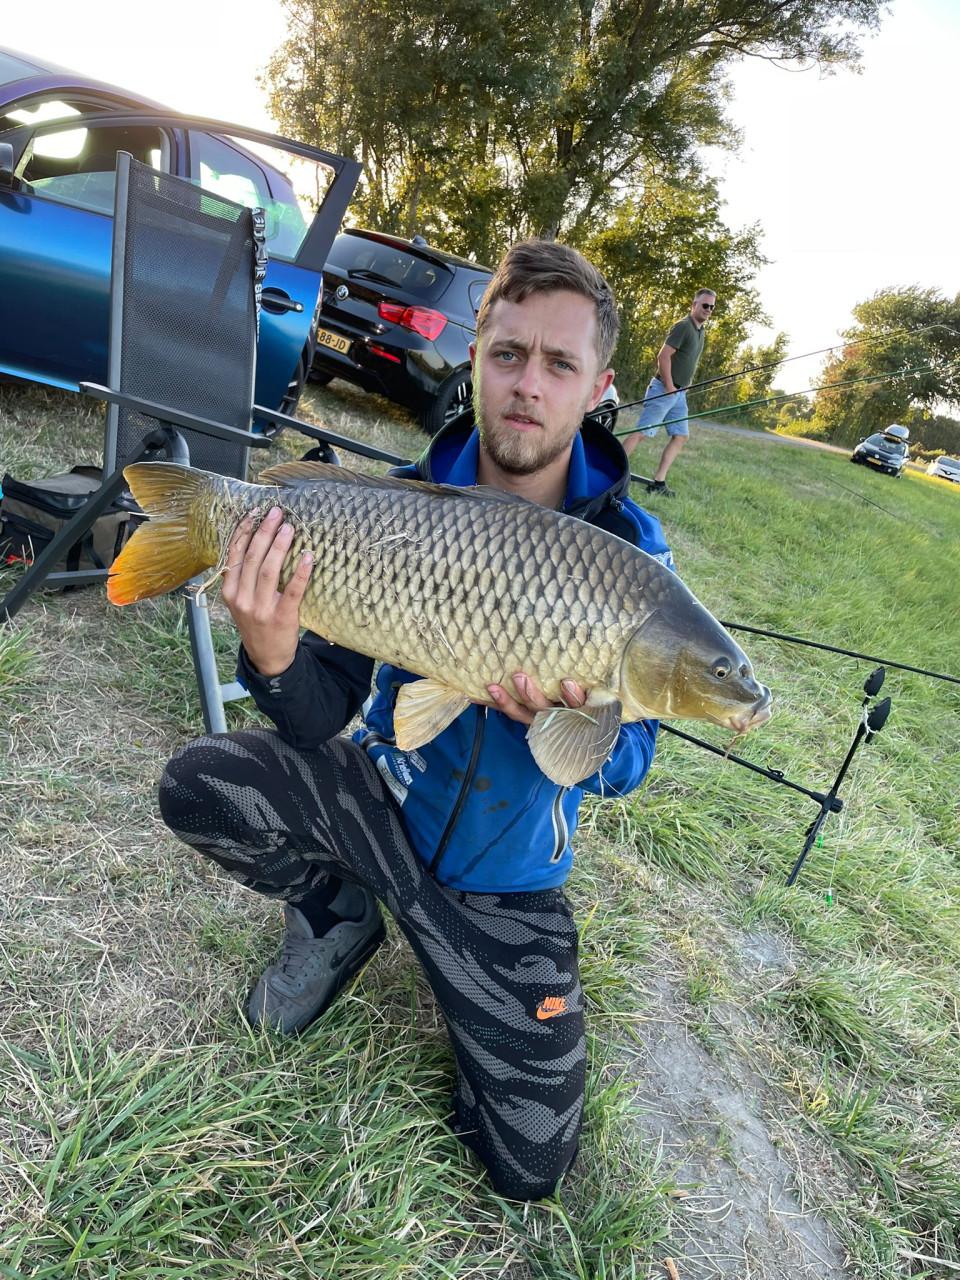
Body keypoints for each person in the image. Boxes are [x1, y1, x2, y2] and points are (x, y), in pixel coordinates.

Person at [158, 239, 675, 1202]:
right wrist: (271, 653)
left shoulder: (629, 561)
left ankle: (461, 968)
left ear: (597, 386)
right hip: (379, 810)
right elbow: (320, 716)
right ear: (476, 355)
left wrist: (558, 726)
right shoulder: (402, 505)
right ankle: (337, 914)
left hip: (505, 881)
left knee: (528, 1165)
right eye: (509, 353)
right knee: (202, 783)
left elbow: (630, 760)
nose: (527, 385)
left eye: (559, 364)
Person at [622, 288, 717, 495]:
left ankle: (658, 482)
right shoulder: (683, 326)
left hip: (679, 394)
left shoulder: (700, 331)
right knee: (641, 433)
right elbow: (663, 356)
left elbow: (686, 361)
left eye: (711, 306)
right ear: (694, 305)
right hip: (664, 390)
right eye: (704, 305)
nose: (708, 309)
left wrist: (684, 385)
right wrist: (669, 386)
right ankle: (611, 474)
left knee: (681, 436)